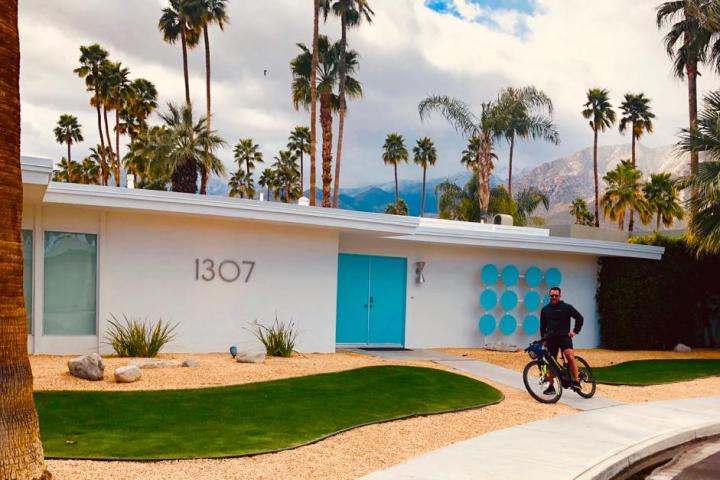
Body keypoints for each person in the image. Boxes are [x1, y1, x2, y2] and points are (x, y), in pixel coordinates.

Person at [539, 286, 584, 395]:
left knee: (569, 356)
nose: (554, 297)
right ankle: (551, 387)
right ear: (549, 296)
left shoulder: (566, 307)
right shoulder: (545, 310)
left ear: (560, 296)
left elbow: (579, 318)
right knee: (551, 363)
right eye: (552, 295)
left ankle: (576, 381)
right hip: (551, 339)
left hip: (564, 337)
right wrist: (543, 338)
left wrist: (575, 331)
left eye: (556, 295)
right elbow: (542, 326)